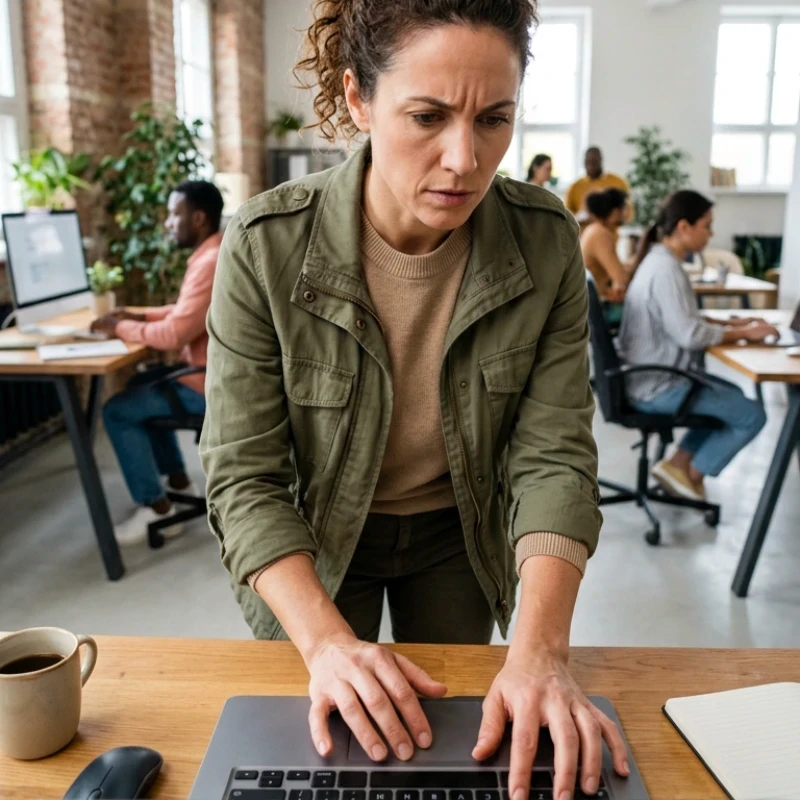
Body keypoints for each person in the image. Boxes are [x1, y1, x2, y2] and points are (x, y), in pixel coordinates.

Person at [200, 3, 630, 800]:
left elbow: (554, 458)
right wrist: (327, 644)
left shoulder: (543, 243)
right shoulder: (265, 246)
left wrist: (542, 652)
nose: (465, 159)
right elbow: (244, 478)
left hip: (458, 535)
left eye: (494, 119)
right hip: (321, 538)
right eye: (427, 116)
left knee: (460, 743)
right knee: (330, 748)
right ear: (358, 100)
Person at [619, 190, 776, 502]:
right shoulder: (666, 270)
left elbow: (685, 321)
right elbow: (690, 334)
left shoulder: (659, 261)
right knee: (752, 415)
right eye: (707, 225)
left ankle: (678, 466)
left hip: (650, 379)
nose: (711, 233)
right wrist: (743, 335)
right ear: (683, 227)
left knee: (731, 397)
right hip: (659, 386)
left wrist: (736, 327)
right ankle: (691, 478)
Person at [92, 180, 224, 545]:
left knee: (118, 411)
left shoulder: (209, 262)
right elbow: (185, 314)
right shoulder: (211, 253)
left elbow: (175, 334)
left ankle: (158, 507)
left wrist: (119, 326)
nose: (168, 222)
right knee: (141, 385)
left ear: (198, 218)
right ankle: (178, 483)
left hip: (207, 385)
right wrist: (139, 315)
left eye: (174, 214)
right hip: (206, 374)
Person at [581, 187, 631, 305]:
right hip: (599, 304)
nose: (627, 213)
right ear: (615, 212)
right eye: (624, 208)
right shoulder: (601, 234)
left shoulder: (595, 229)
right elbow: (621, 279)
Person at [565, 146, 629, 216]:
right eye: (588, 162)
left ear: (601, 160)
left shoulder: (618, 182)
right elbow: (567, 215)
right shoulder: (574, 187)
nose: (591, 166)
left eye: (595, 162)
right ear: (584, 162)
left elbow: (628, 210)